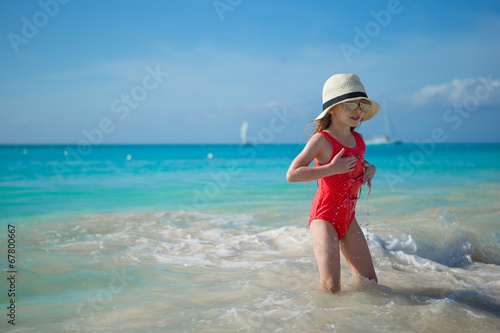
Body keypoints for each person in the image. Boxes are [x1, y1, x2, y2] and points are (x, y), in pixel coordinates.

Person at [286, 74, 379, 293]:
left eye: (361, 104)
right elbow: (292, 174)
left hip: (349, 218)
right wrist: (330, 169)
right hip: (324, 218)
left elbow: (357, 164)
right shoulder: (321, 140)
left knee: (369, 284)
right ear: (333, 109)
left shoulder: (359, 140)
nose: (357, 109)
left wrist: (370, 169)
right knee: (332, 288)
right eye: (349, 104)